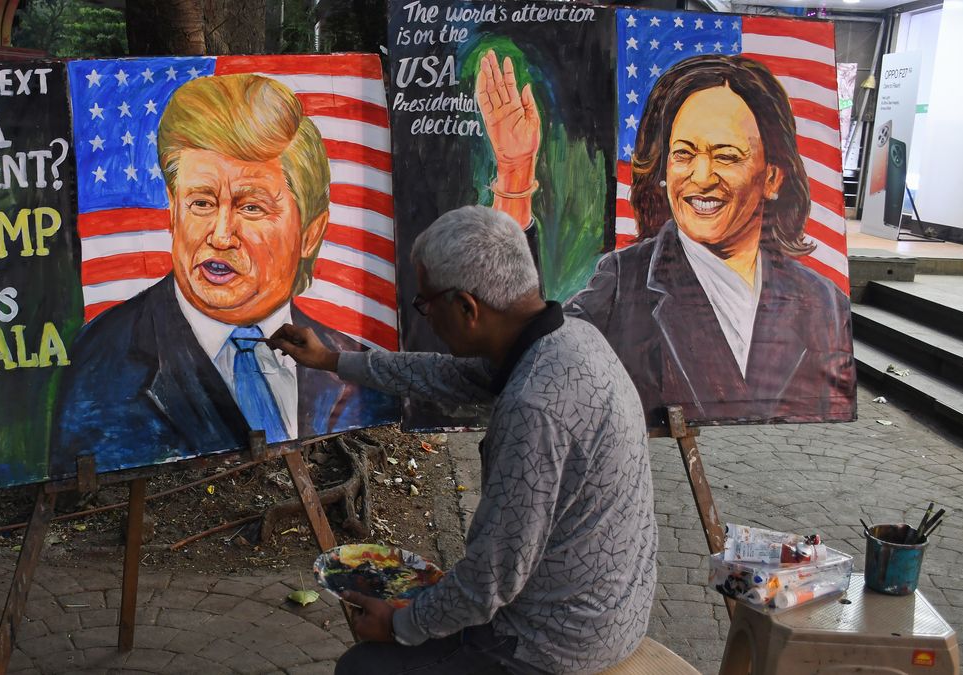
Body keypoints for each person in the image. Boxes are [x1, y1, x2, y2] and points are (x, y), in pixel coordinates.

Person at [270, 205, 657, 674]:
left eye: (426, 303)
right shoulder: (570, 337)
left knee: (362, 667)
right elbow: (447, 375)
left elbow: (489, 582)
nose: (426, 317)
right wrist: (333, 361)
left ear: (468, 308)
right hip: (614, 608)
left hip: (557, 641)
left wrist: (401, 625)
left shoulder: (534, 408)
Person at [51, 74, 394, 477]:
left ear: (310, 233)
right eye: (201, 202)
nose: (220, 235)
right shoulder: (104, 362)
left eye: (251, 208)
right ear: (173, 213)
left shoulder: (351, 365)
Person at [566, 55, 856, 425]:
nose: (701, 177)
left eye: (726, 156)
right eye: (684, 154)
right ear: (663, 169)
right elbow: (540, 355)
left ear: (772, 177)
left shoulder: (824, 304)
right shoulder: (623, 282)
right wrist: (515, 185)